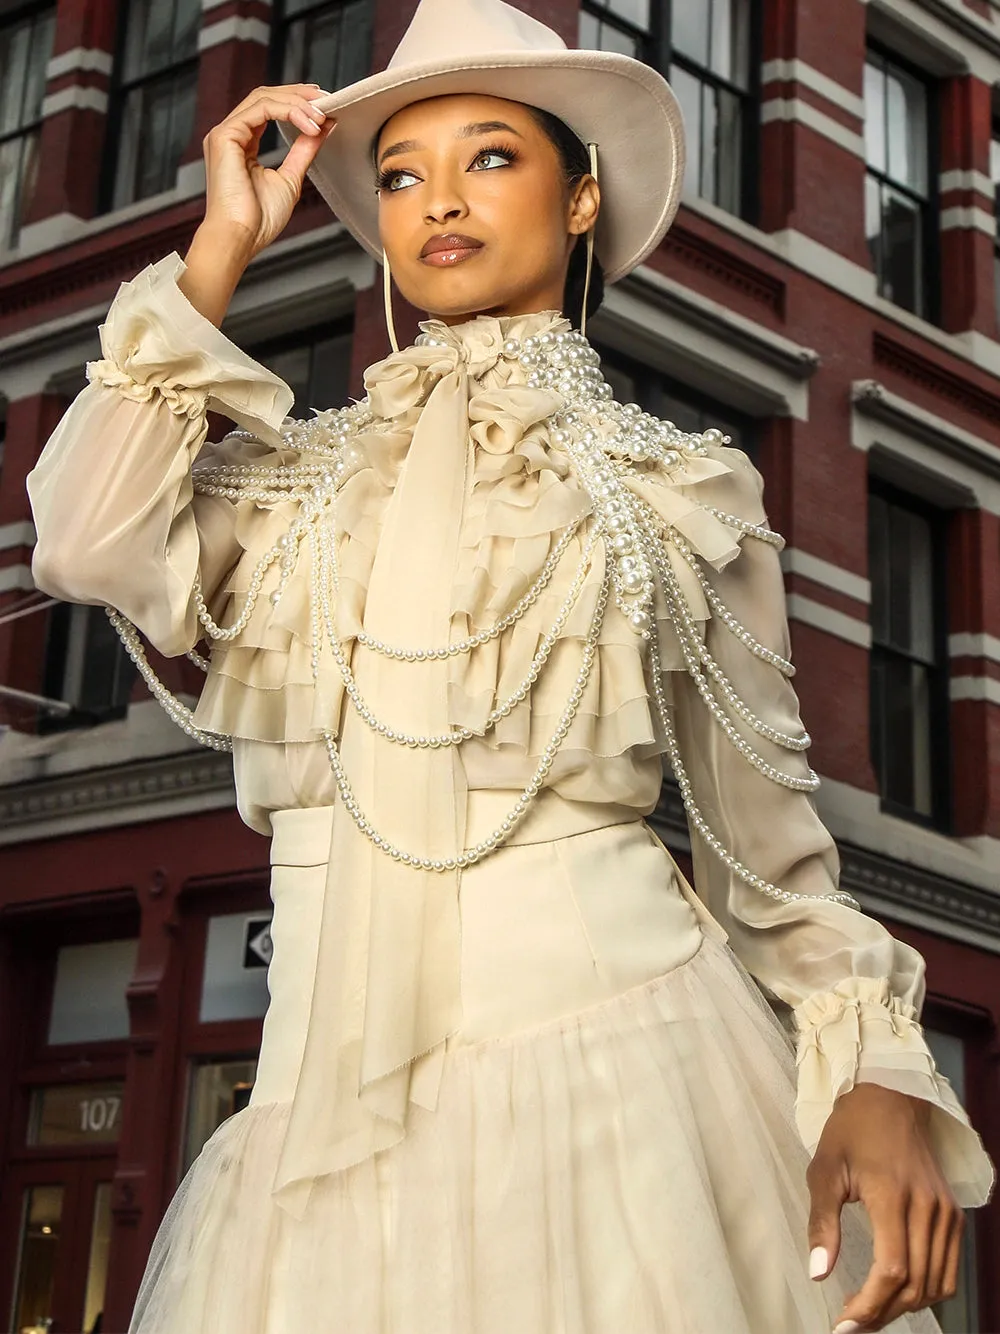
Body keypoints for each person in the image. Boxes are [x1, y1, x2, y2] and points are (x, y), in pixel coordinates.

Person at [26, 1, 994, 1331]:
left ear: (580, 194)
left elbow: (772, 866)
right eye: (404, 174)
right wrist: (223, 244)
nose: (439, 201)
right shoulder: (295, 488)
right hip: (323, 1154)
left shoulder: (683, 495)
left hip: (622, 1097)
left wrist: (872, 1066)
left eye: (489, 158)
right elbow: (80, 537)